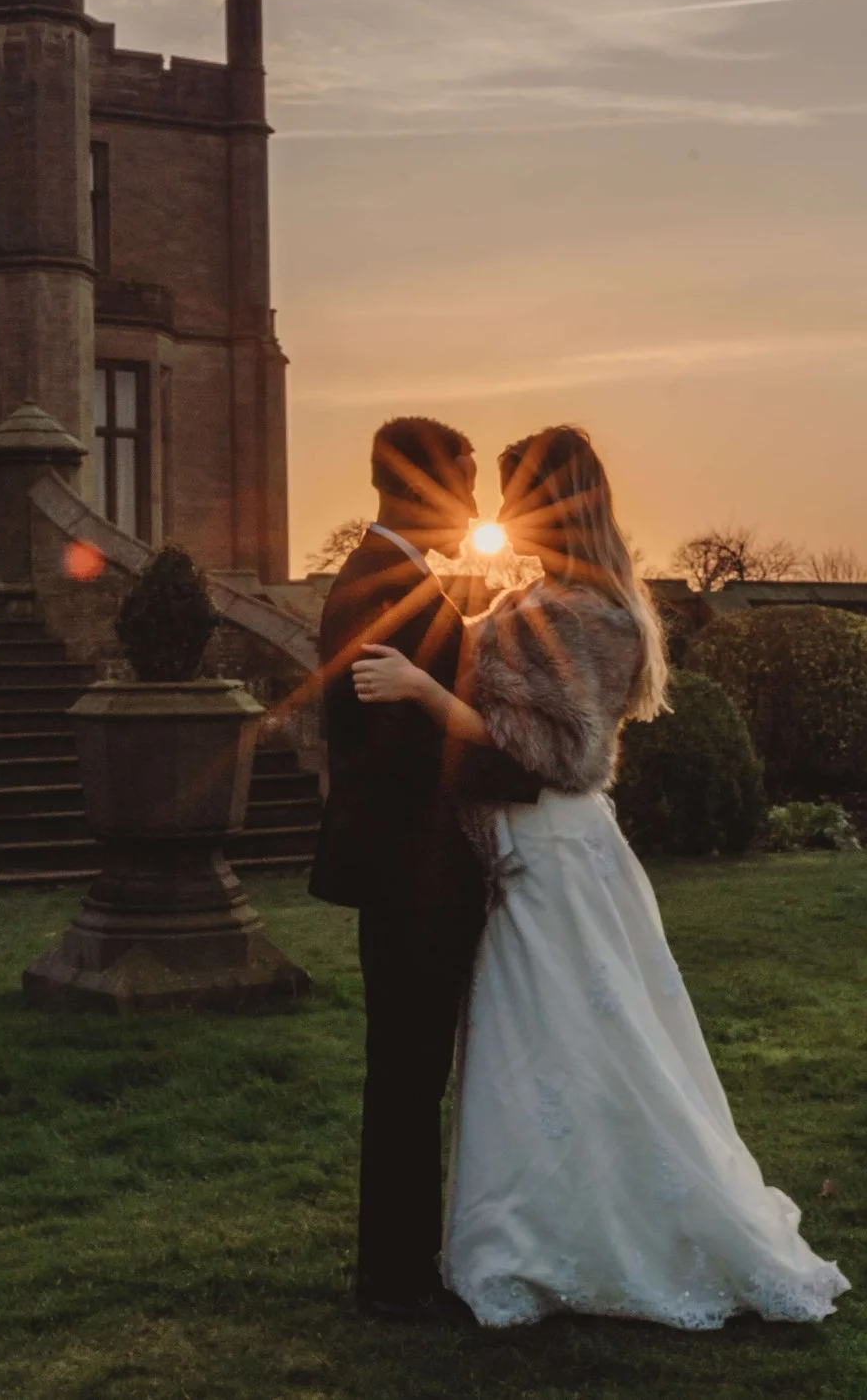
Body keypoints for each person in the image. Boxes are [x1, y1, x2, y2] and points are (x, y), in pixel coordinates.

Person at [352, 426, 850, 1331]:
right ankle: (527, 1232)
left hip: (551, 849)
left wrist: (424, 693)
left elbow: (553, 751)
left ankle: (599, 1234)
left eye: (517, 498)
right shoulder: (546, 596)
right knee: (528, 1051)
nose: (501, 516)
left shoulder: (593, 614)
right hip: (522, 849)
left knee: (580, 1043)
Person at [311, 417, 541, 1322]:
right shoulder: (384, 588)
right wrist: (524, 768)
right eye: (467, 486)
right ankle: (396, 1279)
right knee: (408, 1074)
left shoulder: (389, 576)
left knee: (406, 1072)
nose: (479, 509)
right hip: (414, 870)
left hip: (409, 866)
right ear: (420, 487)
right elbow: (409, 754)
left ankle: (398, 1266)